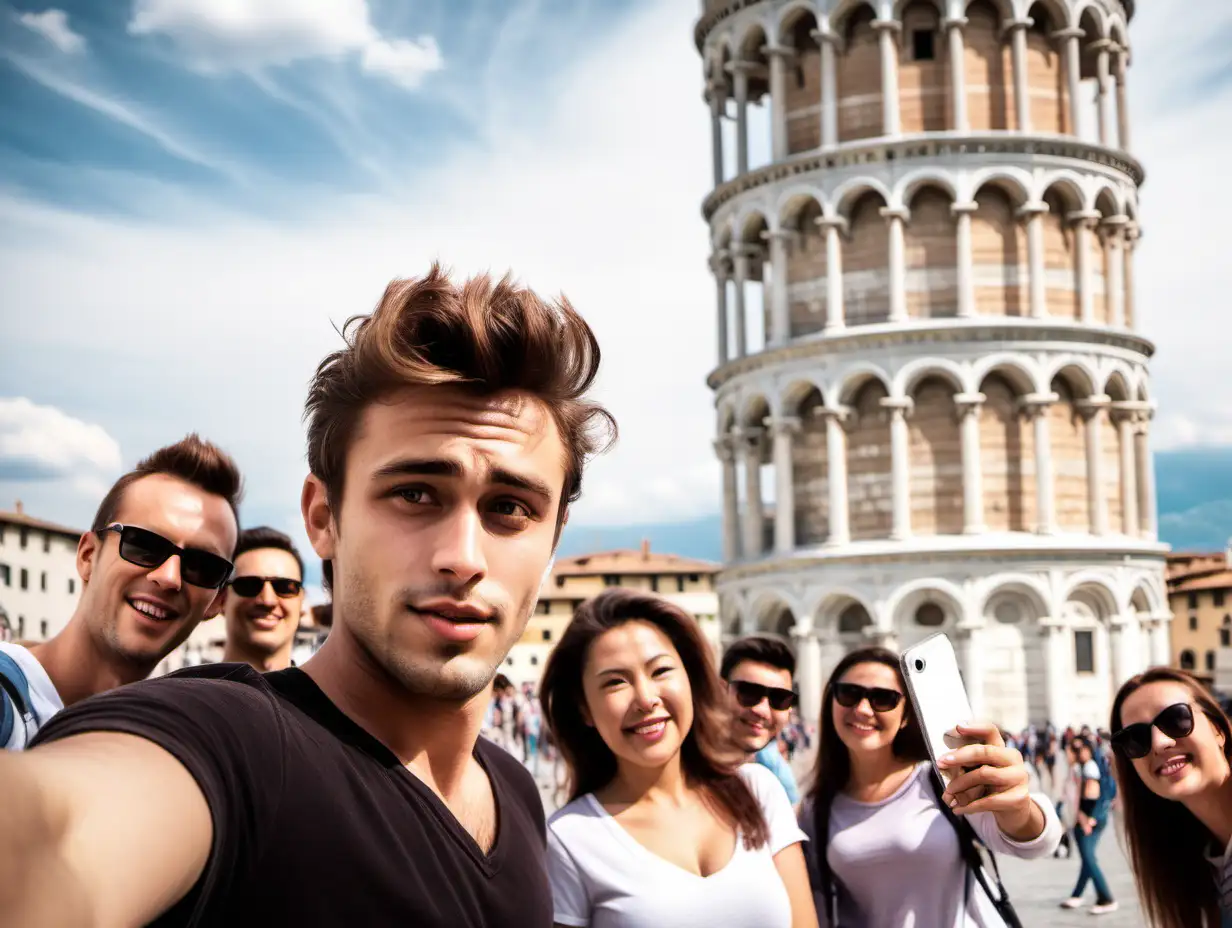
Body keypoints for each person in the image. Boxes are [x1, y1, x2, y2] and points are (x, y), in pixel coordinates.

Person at [0, 264, 616, 926]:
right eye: (414, 493)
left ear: (554, 539)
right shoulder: (237, 748)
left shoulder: (517, 792)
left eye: (510, 507)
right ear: (323, 517)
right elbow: (54, 839)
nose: (462, 558)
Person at [540, 589, 818, 928]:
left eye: (660, 671)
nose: (646, 698)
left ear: (691, 679)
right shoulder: (570, 839)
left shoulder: (760, 791)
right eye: (615, 682)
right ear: (584, 707)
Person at [0, 435, 242, 750]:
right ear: (88, 556)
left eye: (203, 566)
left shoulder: (174, 744)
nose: (170, 578)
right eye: (144, 545)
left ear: (216, 603)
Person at [798, 647, 1062, 927]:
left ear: (907, 716)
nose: (863, 709)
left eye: (883, 699)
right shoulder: (816, 809)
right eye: (849, 693)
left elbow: (1034, 843)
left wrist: (1017, 807)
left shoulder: (940, 780)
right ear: (831, 702)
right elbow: (816, 907)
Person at [1110, 667, 1232, 928]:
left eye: (1176, 719)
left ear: (1218, 730)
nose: (1159, 742)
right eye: (1135, 738)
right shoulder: (1205, 866)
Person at [720, 634, 801, 804]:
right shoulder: (678, 768)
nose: (762, 710)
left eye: (779, 698)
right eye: (748, 693)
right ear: (720, 691)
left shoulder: (775, 774)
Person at [218, 526, 305, 672]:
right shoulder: (185, 693)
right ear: (221, 599)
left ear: (302, 601)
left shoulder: (328, 694)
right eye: (249, 585)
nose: (267, 600)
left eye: (284, 587)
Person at [1058, 735, 1118, 914]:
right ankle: (1077, 895)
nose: (1073, 753)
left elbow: (1090, 794)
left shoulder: (1089, 767)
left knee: (1089, 858)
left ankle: (1106, 897)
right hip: (1090, 818)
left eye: (1077, 749)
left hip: (1088, 819)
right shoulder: (1084, 767)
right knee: (1087, 858)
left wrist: (1087, 818)